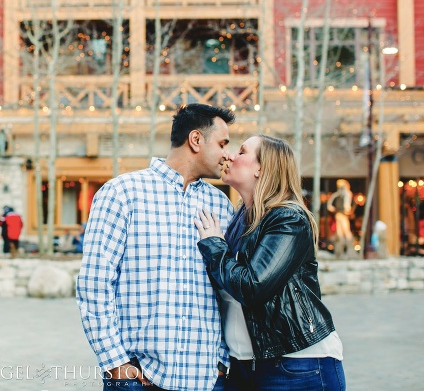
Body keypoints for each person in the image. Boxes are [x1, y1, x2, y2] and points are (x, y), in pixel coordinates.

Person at [76, 103, 236, 391]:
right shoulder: (121, 194)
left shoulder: (221, 205)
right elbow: (94, 284)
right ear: (196, 140)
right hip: (138, 379)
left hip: (208, 379)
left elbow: (228, 289)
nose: (228, 153)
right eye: (223, 143)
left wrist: (222, 360)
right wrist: (115, 363)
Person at [195, 135, 346, 390]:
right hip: (244, 366)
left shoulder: (288, 219)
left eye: (241, 151)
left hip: (297, 365)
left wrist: (214, 245)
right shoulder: (239, 219)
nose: (230, 155)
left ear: (261, 168)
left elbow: (252, 286)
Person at [326, 179, 355, 258]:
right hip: (339, 215)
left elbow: (347, 204)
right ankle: (340, 252)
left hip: (342, 215)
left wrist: (347, 210)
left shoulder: (347, 194)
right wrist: (335, 209)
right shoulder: (337, 195)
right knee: (341, 234)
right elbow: (330, 205)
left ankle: (348, 251)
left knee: (344, 233)